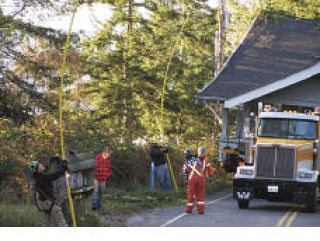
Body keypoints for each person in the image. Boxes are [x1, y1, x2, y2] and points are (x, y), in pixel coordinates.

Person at [28, 158, 68, 227]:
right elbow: (54, 175)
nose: (41, 164)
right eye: (39, 165)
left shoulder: (37, 177)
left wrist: (61, 166)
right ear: (37, 169)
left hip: (43, 204)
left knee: (46, 224)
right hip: (50, 203)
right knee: (61, 223)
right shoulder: (42, 177)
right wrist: (63, 168)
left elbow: (50, 173)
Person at [184, 146, 213, 214]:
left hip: (196, 179)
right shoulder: (198, 159)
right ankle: (193, 209)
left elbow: (185, 170)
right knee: (196, 194)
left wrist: (210, 175)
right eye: (200, 152)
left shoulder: (195, 159)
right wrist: (210, 176)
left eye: (202, 152)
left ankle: (197, 210)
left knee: (198, 194)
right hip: (199, 179)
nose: (201, 153)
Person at [92, 146, 111, 210]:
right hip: (96, 178)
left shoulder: (108, 161)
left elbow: (108, 170)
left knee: (101, 192)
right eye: (105, 153)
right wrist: (96, 174)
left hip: (103, 179)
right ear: (103, 153)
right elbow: (94, 168)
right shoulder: (97, 158)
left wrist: (106, 176)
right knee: (95, 191)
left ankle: (99, 205)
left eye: (107, 153)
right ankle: (94, 205)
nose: (106, 155)